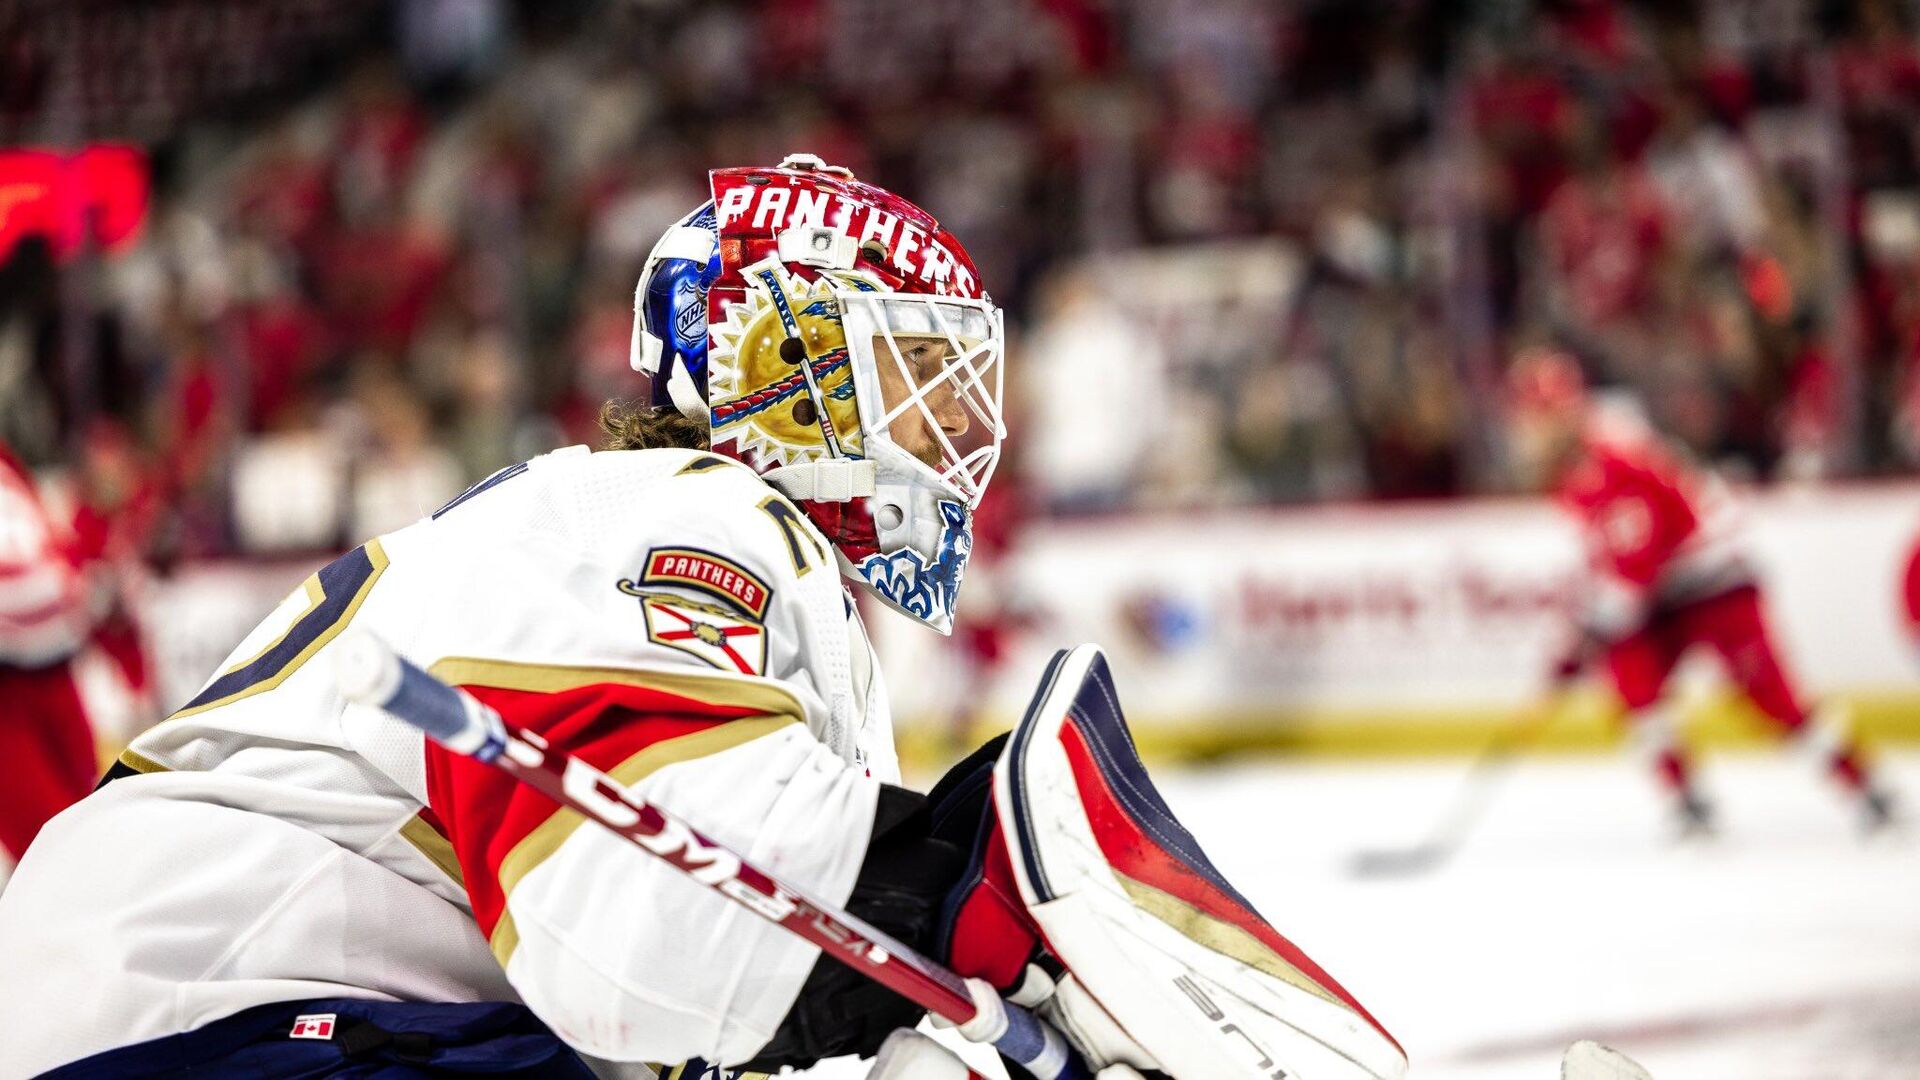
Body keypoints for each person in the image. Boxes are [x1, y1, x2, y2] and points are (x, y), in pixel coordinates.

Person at [0, 156, 1405, 1080]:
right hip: (195, 1021)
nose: (960, 429)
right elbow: (651, 933)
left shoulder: (689, 536)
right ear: (788, 367)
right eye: (915, 376)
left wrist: (921, 937)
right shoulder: (682, 509)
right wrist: (943, 894)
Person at [1507, 348, 1896, 834]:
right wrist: (1583, 634)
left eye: (1534, 414)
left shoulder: (1612, 454)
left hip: (1715, 582)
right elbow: (1613, 562)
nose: (1526, 429)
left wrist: (1592, 631)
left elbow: (1645, 551)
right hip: (1663, 594)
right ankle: (1686, 800)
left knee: (1770, 697)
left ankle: (1862, 783)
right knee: (1633, 678)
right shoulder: (1575, 467)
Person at [0, 441, 98, 894]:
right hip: (8, 694)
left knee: (95, 823)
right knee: (53, 859)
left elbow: (44, 539)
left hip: (55, 669)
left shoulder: (5, 461)